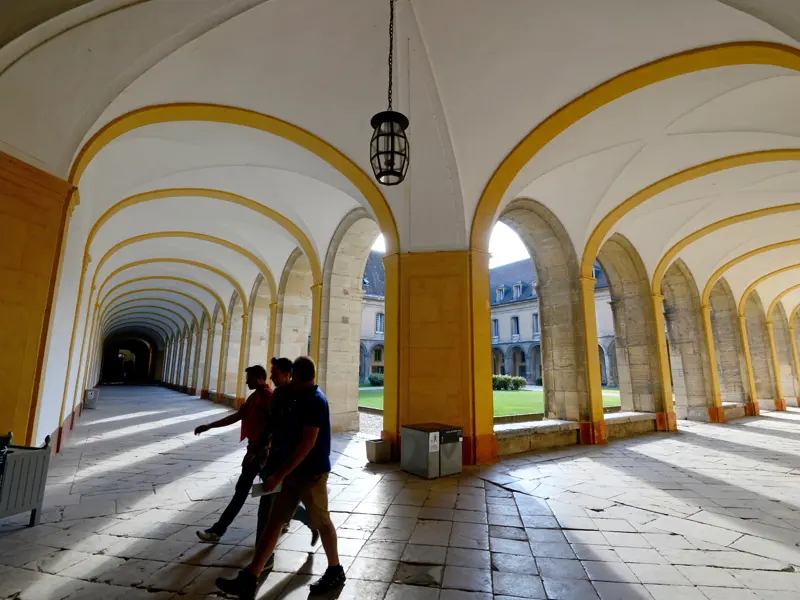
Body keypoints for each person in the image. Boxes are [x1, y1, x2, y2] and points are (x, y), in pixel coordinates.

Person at [216, 357, 344, 599]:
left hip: (311, 474)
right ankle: (250, 576)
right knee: (274, 522)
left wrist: (278, 475)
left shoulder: (315, 401)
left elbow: (308, 443)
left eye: (291, 376)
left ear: (296, 375)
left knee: (322, 522)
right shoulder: (298, 396)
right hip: (293, 472)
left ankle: (335, 570)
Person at [194, 365, 272, 545]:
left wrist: (263, 449)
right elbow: (237, 416)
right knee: (245, 491)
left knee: (261, 493)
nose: (246, 381)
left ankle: (218, 530)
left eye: (250, 378)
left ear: (260, 378)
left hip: (261, 455)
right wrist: (209, 426)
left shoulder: (268, 397)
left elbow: (274, 426)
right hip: (254, 452)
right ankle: (218, 530)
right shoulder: (255, 397)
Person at [255, 357, 317, 547]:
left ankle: (310, 520)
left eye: (274, 373)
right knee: (268, 504)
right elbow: (270, 423)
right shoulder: (280, 394)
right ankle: (263, 550)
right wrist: (261, 446)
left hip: (289, 457)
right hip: (275, 456)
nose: (271, 376)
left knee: (276, 504)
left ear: (288, 374)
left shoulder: (304, 396)